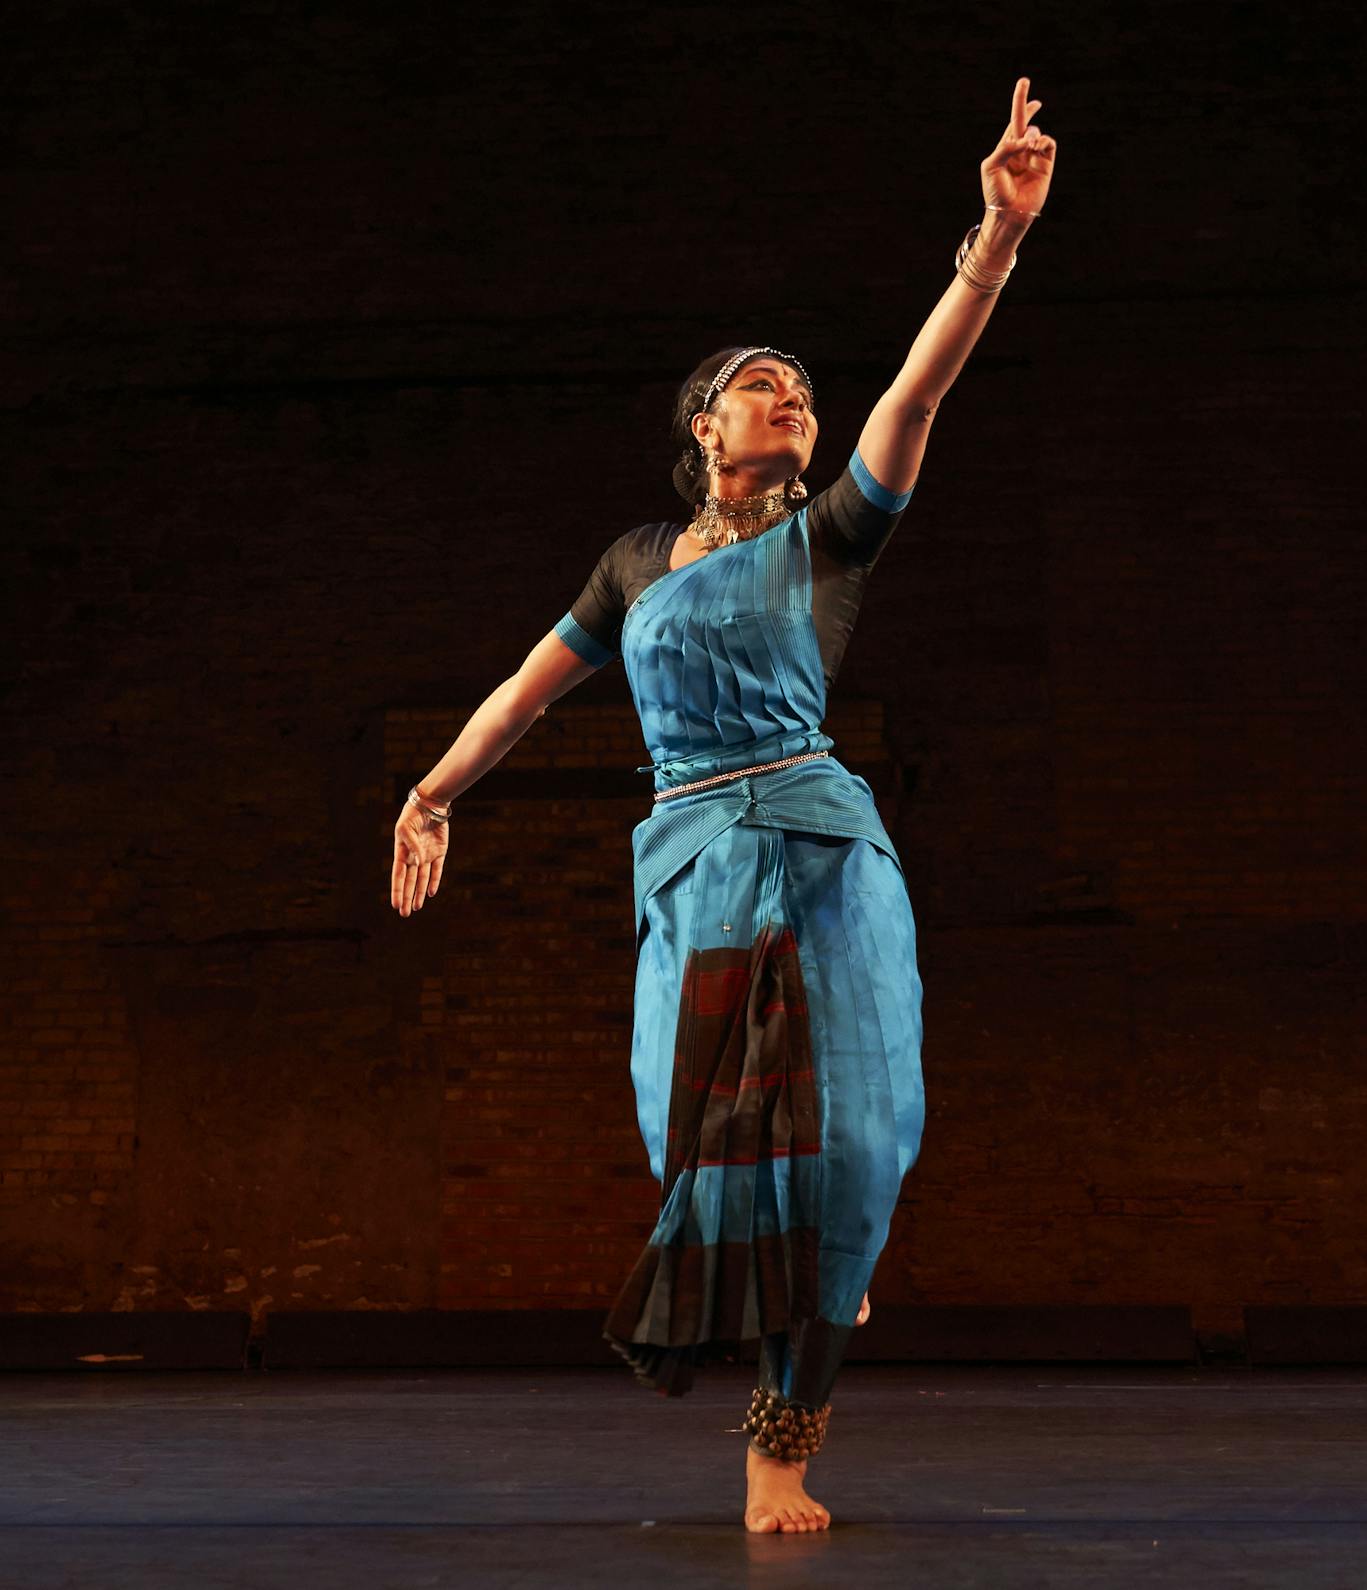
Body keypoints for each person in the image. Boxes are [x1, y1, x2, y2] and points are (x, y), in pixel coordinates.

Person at [390, 78, 1057, 1534]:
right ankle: (824, 1228)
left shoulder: (831, 540)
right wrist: (432, 790)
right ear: (705, 421)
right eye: (767, 381)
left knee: (860, 1132)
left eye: (804, 390)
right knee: (683, 1136)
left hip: (819, 853)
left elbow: (918, 390)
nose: (796, 398)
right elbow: (526, 688)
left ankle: (782, 1445)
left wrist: (992, 243)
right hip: (694, 866)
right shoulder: (636, 561)